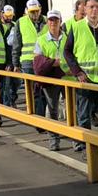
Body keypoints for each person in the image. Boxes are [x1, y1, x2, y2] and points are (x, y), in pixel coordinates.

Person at [64, 0, 98, 153]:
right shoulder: (77, 27)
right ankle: (83, 143)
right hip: (85, 78)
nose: (94, 10)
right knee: (84, 113)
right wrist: (77, 72)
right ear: (85, 9)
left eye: (97, 6)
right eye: (91, 7)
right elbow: (67, 52)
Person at [32, 9, 69, 151]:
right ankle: (54, 140)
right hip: (51, 80)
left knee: (72, 110)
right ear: (47, 22)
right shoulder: (41, 40)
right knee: (53, 110)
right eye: (51, 20)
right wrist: (52, 62)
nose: (53, 23)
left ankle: (77, 142)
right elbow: (38, 62)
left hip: (68, 78)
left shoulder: (67, 38)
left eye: (56, 20)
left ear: (60, 22)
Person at [9, 0, 46, 117]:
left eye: (36, 11)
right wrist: (15, 64)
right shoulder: (21, 22)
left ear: (40, 9)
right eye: (32, 11)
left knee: (43, 90)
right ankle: (37, 117)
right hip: (27, 61)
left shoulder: (47, 20)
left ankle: (40, 115)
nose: (34, 14)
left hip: (43, 60)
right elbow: (16, 43)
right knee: (34, 91)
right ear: (27, 11)